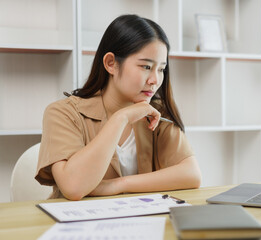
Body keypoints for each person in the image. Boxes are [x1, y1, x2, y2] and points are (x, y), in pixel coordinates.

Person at [35, 14, 202, 201]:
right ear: (111, 64)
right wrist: (120, 118)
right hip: (77, 226)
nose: (155, 80)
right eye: (146, 67)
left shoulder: (157, 112)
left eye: (161, 69)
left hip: (140, 221)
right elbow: (73, 187)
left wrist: (119, 184)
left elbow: (191, 174)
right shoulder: (62, 113)